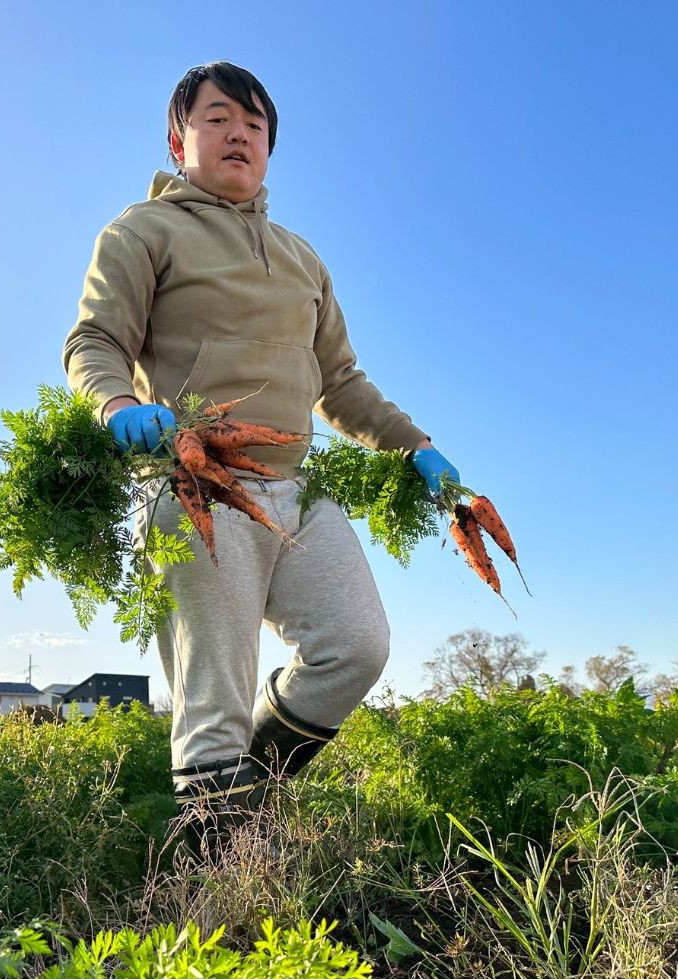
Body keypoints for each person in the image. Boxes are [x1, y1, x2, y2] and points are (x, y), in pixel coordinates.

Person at [63, 61, 459, 855]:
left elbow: (340, 382)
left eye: (254, 124)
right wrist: (119, 406)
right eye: (217, 119)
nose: (238, 133)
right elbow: (94, 342)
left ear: (270, 146)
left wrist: (414, 445)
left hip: (294, 489)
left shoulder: (304, 259)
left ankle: (238, 808)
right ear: (180, 139)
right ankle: (208, 885)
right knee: (213, 693)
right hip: (194, 478)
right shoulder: (142, 231)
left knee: (357, 646)